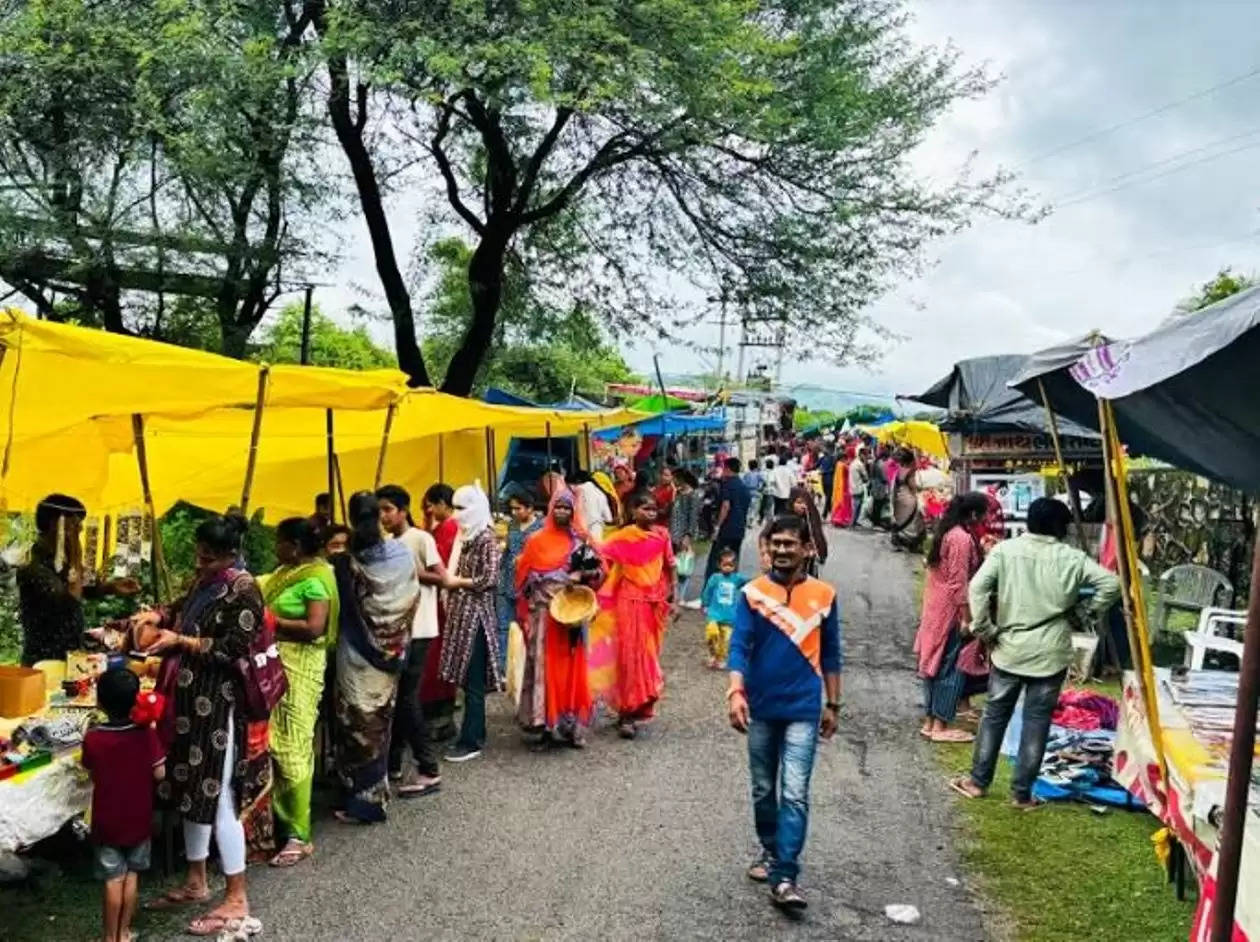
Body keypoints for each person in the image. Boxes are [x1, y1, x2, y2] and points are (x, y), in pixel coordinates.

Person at [950, 498, 1120, 810]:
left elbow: (977, 589)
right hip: (1050, 652)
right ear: (1060, 526)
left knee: (994, 715)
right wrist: (1085, 613)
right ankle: (1022, 794)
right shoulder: (1072, 557)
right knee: (1037, 721)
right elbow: (1111, 584)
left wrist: (985, 630)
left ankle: (977, 782)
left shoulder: (1005, 550)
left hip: (1009, 649)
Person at [137, 515, 260, 935]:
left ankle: (237, 896)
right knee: (190, 787)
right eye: (198, 554)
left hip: (218, 706)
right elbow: (174, 611)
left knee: (220, 795)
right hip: (186, 704)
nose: (199, 562)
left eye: (207, 557)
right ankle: (196, 880)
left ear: (228, 554)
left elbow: (234, 649)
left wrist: (181, 642)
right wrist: (151, 617)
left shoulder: (244, 590)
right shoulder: (203, 581)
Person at [727, 514, 842, 912]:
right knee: (763, 789)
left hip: (804, 710)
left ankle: (785, 874)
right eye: (775, 544)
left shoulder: (825, 595)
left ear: (807, 549)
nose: (780, 550)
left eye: (789, 544)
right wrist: (735, 692)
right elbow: (739, 646)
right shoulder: (752, 593)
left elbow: (831, 654)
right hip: (760, 706)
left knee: (794, 793)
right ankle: (771, 849)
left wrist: (833, 703)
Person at [330, 492, 418, 824]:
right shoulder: (402, 554)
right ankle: (375, 795)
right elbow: (411, 600)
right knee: (380, 723)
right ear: (379, 517)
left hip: (356, 655)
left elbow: (345, 611)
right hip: (394, 652)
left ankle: (362, 803)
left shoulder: (345, 563)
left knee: (357, 724)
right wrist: (396, 642)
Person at [260, 517, 338, 867]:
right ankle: (277, 824)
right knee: (272, 742)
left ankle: (298, 834)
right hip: (274, 667)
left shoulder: (316, 579)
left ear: (294, 545)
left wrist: (270, 624)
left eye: (279, 541)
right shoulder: (282, 573)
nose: (276, 548)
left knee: (293, 745)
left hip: (300, 669)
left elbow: (314, 627)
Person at [82, 668, 165, 942]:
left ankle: (109, 937)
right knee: (131, 875)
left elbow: (88, 768)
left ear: (100, 703)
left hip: (107, 821)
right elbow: (159, 773)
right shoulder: (145, 735)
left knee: (112, 878)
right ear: (135, 700)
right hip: (139, 819)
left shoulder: (93, 738)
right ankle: (124, 932)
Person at [376, 485, 446, 796]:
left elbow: (441, 577)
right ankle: (393, 763)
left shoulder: (421, 538)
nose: (384, 516)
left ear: (404, 511)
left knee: (407, 699)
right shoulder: (388, 543)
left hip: (419, 628)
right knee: (399, 698)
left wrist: (411, 572)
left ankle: (428, 767)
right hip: (397, 629)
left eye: (389, 509)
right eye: (380, 511)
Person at [515, 489, 598, 747]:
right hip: (543, 617)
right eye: (558, 507)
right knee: (543, 667)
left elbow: (599, 570)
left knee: (571, 671)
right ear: (552, 510)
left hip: (571, 618)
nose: (562, 511)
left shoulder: (581, 541)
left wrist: (580, 577)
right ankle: (544, 724)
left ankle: (572, 726)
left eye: (567, 508)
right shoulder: (535, 540)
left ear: (574, 512)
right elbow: (521, 577)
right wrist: (536, 582)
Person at [17, 493, 139, 666]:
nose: (80, 531)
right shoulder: (33, 565)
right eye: (75, 525)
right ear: (55, 525)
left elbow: (87, 587)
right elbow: (69, 599)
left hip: (69, 656)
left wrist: (111, 587)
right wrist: (75, 556)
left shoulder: (60, 559)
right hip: (44, 662)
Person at [599, 490, 676, 739]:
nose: (651, 513)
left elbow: (670, 566)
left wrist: (674, 598)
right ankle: (627, 713)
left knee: (649, 655)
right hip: (628, 601)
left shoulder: (662, 535)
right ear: (633, 512)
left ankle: (640, 704)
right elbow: (602, 561)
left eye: (654, 509)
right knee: (630, 657)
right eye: (645, 509)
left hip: (654, 603)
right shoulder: (622, 537)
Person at [913, 494, 988, 744]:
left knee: (934, 666)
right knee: (952, 667)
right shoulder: (961, 538)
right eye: (984, 514)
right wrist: (967, 618)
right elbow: (959, 583)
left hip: (936, 608)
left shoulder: (947, 532)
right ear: (974, 515)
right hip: (951, 611)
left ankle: (931, 722)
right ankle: (940, 725)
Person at [440, 484, 503, 763]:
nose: (457, 515)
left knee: (474, 682)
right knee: (465, 680)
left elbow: (489, 580)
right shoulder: (466, 537)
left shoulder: (485, 539)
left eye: (462, 508)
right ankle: (470, 731)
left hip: (474, 618)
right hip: (459, 616)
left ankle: (472, 739)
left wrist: (457, 582)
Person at [420, 483, 460, 740]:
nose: (430, 510)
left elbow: (440, 566)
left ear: (444, 504)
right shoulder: (440, 528)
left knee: (436, 658)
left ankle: (440, 718)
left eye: (432, 505)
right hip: (436, 600)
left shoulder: (450, 528)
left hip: (441, 600)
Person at [498, 493, 542, 673]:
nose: (515, 512)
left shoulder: (541, 527)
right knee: (503, 625)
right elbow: (508, 549)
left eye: (519, 508)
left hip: (529, 582)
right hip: (508, 579)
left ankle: (527, 665)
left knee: (527, 624)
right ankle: (503, 667)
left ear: (530, 508)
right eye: (512, 509)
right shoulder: (512, 525)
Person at [704, 458, 752, 583]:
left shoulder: (727, 484)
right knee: (733, 560)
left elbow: (726, 505)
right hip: (739, 530)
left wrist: (717, 526)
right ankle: (732, 587)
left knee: (716, 560)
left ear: (728, 469)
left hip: (726, 529)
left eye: (724, 468)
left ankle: (710, 590)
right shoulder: (743, 487)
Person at [701, 548, 746, 669]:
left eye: (730, 565)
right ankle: (712, 654)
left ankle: (720, 658)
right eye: (724, 564)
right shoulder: (715, 578)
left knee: (726, 640)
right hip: (714, 614)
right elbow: (707, 591)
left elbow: (750, 583)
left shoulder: (737, 579)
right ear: (719, 565)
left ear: (735, 566)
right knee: (712, 633)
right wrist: (705, 604)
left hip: (729, 616)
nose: (727, 567)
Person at [669, 469, 703, 606]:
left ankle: (681, 595)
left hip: (683, 534)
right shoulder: (677, 493)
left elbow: (693, 518)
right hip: (673, 533)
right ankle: (674, 593)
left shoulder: (692, 495)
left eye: (675, 478)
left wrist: (687, 536)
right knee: (675, 564)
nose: (674, 481)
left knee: (684, 565)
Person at [889, 449, 926, 551]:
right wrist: (921, 487)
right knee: (914, 522)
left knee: (901, 520)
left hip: (899, 498)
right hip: (908, 500)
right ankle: (911, 543)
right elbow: (913, 487)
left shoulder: (899, 470)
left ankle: (899, 541)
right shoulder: (909, 472)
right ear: (910, 461)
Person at [573, 469, 615, 541]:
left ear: (578, 480)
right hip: (598, 528)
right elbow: (608, 518)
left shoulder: (578, 489)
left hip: (582, 528)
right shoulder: (600, 492)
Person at [849, 447, 870, 526]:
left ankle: (854, 521)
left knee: (856, 505)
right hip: (858, 487)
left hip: (852, 486)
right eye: (866, 455)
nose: (866, 457)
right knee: (857, 506)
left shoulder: (854, 462)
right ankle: (852, 523)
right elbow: (865, 477)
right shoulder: (860, 464)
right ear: (861, 455)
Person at [653, 464, 677, 529]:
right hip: (655, 523)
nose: (663, 477)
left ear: (672, 477)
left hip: (667, 525)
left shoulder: (673, 491)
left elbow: (668, 512)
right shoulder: (656, 489)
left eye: (667, 475)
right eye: (662, 474)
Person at [817, 446, 837, 514]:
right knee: (827, 495)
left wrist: (824, 471)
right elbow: (816, 465)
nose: (825, 450)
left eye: (826, 448)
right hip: (823, 480)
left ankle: (824, 513)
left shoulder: (832, 458)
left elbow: (834, 469)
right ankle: (831, 511)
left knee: (828, 496)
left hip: (830, 479)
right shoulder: (822, 458)